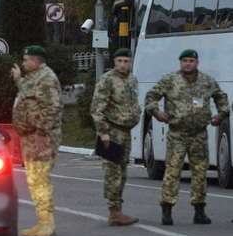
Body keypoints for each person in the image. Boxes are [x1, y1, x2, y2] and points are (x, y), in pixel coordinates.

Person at [145, 49, 229, 225]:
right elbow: (151, 96)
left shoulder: (207, 81)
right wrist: (157, 113)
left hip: (199, 134)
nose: (188, 64)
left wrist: (220, 115)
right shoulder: (170, 80)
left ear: (197, 63)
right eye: (185, 61)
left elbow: (221, 98)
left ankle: (199, 210)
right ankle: (167, 209)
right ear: (180, 63)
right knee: (172, 171)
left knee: (200, 173)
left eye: (191, 61)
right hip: (177, 134)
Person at [11, 45, 62, 236]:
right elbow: (29, 94)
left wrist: (41, 133)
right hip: (31, 137)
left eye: (26, 60)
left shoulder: (46, 78)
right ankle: (42, 221)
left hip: (41, 138)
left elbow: (52, 108)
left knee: (40, 179)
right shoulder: (35, 77)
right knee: (34, 179)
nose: (24, 63)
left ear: (35, 60)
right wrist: (18, 80)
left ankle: (47, 224)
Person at [90, 48, 141, 226]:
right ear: (114, 62)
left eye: (126, 61)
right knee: (113, 173)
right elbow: (97, 108)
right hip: (111, 132)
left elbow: (133, 103)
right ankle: (114, 212)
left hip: (125, 132)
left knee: (123, 172)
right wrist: (103, 132)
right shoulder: (107, 80)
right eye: (119, 61)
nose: (123, 65)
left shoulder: (132, 79)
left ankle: (118, 209)